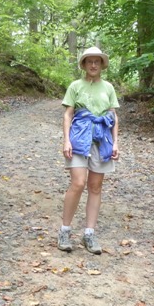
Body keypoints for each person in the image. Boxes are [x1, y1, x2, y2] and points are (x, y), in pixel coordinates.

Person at [58, 46, 120, 254]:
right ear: (84, 65)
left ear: (102, 65)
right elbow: (68, 114)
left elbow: (113, 116)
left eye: (97, 61)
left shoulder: (108, 87)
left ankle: (89, 234)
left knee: (95, 187)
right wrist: (66, 140)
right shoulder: (75, 86)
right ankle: (65, 231)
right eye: (89, 61)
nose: (93, 65)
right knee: (78, 183)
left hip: (101, 139)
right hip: (79, 137)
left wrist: (115, 143)